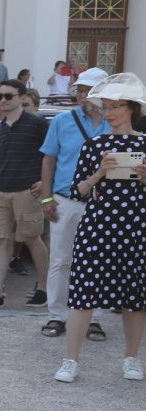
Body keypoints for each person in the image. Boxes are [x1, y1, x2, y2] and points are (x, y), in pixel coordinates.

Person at [53, 72, 146, 384]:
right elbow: (77, 190)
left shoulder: (145, 144)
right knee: (82, 293)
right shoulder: (94, 145)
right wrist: (98, 174)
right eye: (105, 107)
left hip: (136, 227)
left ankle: (131, 358)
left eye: (114, 106)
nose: (108, 112)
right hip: (97, 227)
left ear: (131, 108)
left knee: (135, 296)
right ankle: (70, 360)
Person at [37, 67, 110, 339]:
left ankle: (94, 318)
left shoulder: (115, 123)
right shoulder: (62, 121)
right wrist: (47, 198)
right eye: (79, 90)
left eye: (87, 90)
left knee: (99, 259)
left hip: (104, 203)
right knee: (60, 259)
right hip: (66, 199)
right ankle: (56, 316)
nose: (81, 95)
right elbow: (49, 160)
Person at [0, 79, 50, 310]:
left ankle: (44, 289)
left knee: (32, 238)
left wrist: (44, 183)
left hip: (27, 190)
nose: (2, 101)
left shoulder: (38, 124)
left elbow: (50, 157)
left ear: (22, 97)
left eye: (8, 96)